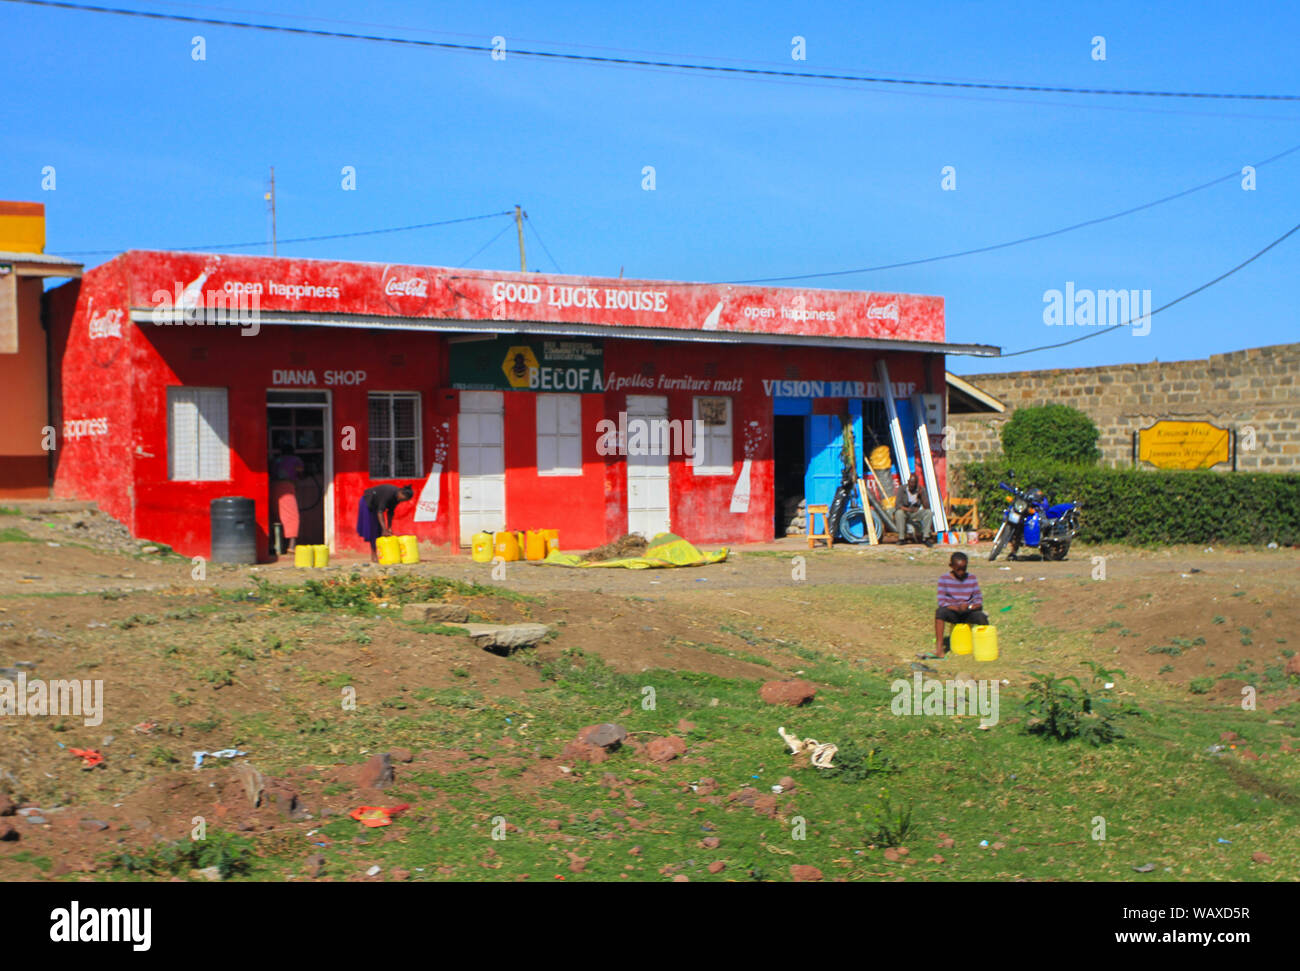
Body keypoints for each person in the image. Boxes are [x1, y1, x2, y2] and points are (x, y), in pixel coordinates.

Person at [926, 552, 990, 658]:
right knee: (940, 612)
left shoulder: (972, 578)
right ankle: (939, 649)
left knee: (982, 617)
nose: (961, 572)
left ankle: (984, 646)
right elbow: (941, 601)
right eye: (958, 569)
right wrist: (956, 608)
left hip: (968, 612)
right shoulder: (944, 579)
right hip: (953, 612)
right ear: (951, 566)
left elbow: (978, 600)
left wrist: (969, 607)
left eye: (964, 569)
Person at [357, 483, 414, 562]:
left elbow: (390, 512)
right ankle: (373, 554)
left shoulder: (397, 498)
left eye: (404, 501)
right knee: (373, 529)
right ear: (400, 492)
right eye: (402, 499)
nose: (401, 501)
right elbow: (380, 512)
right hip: (367, 503)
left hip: (376, 506)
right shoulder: (389, 493)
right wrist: (384, 529)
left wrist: (389, 527)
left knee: (379, 531)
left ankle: (381, 554)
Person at [271, 444, 305, 552]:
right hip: (287, 486)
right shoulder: (296, 460)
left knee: (276, 515)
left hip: (273, 486)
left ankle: (274, 544)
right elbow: (300, 473)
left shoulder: (276, 460)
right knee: (292, 515)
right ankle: (291, 545)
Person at [894, 472, 935, 546]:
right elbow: (897, 505)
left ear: (916, 483)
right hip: (905, 512)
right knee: (898, 513)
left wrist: (921, 495)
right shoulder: (902, 489)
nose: (912, 485)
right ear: (908, 482)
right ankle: (901, 538)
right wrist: (908, 510)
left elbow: (927, 506)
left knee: (929, 512)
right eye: (911, 482)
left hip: (916, 512)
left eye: (914, 483)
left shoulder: (921, 489)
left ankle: (925, 538)